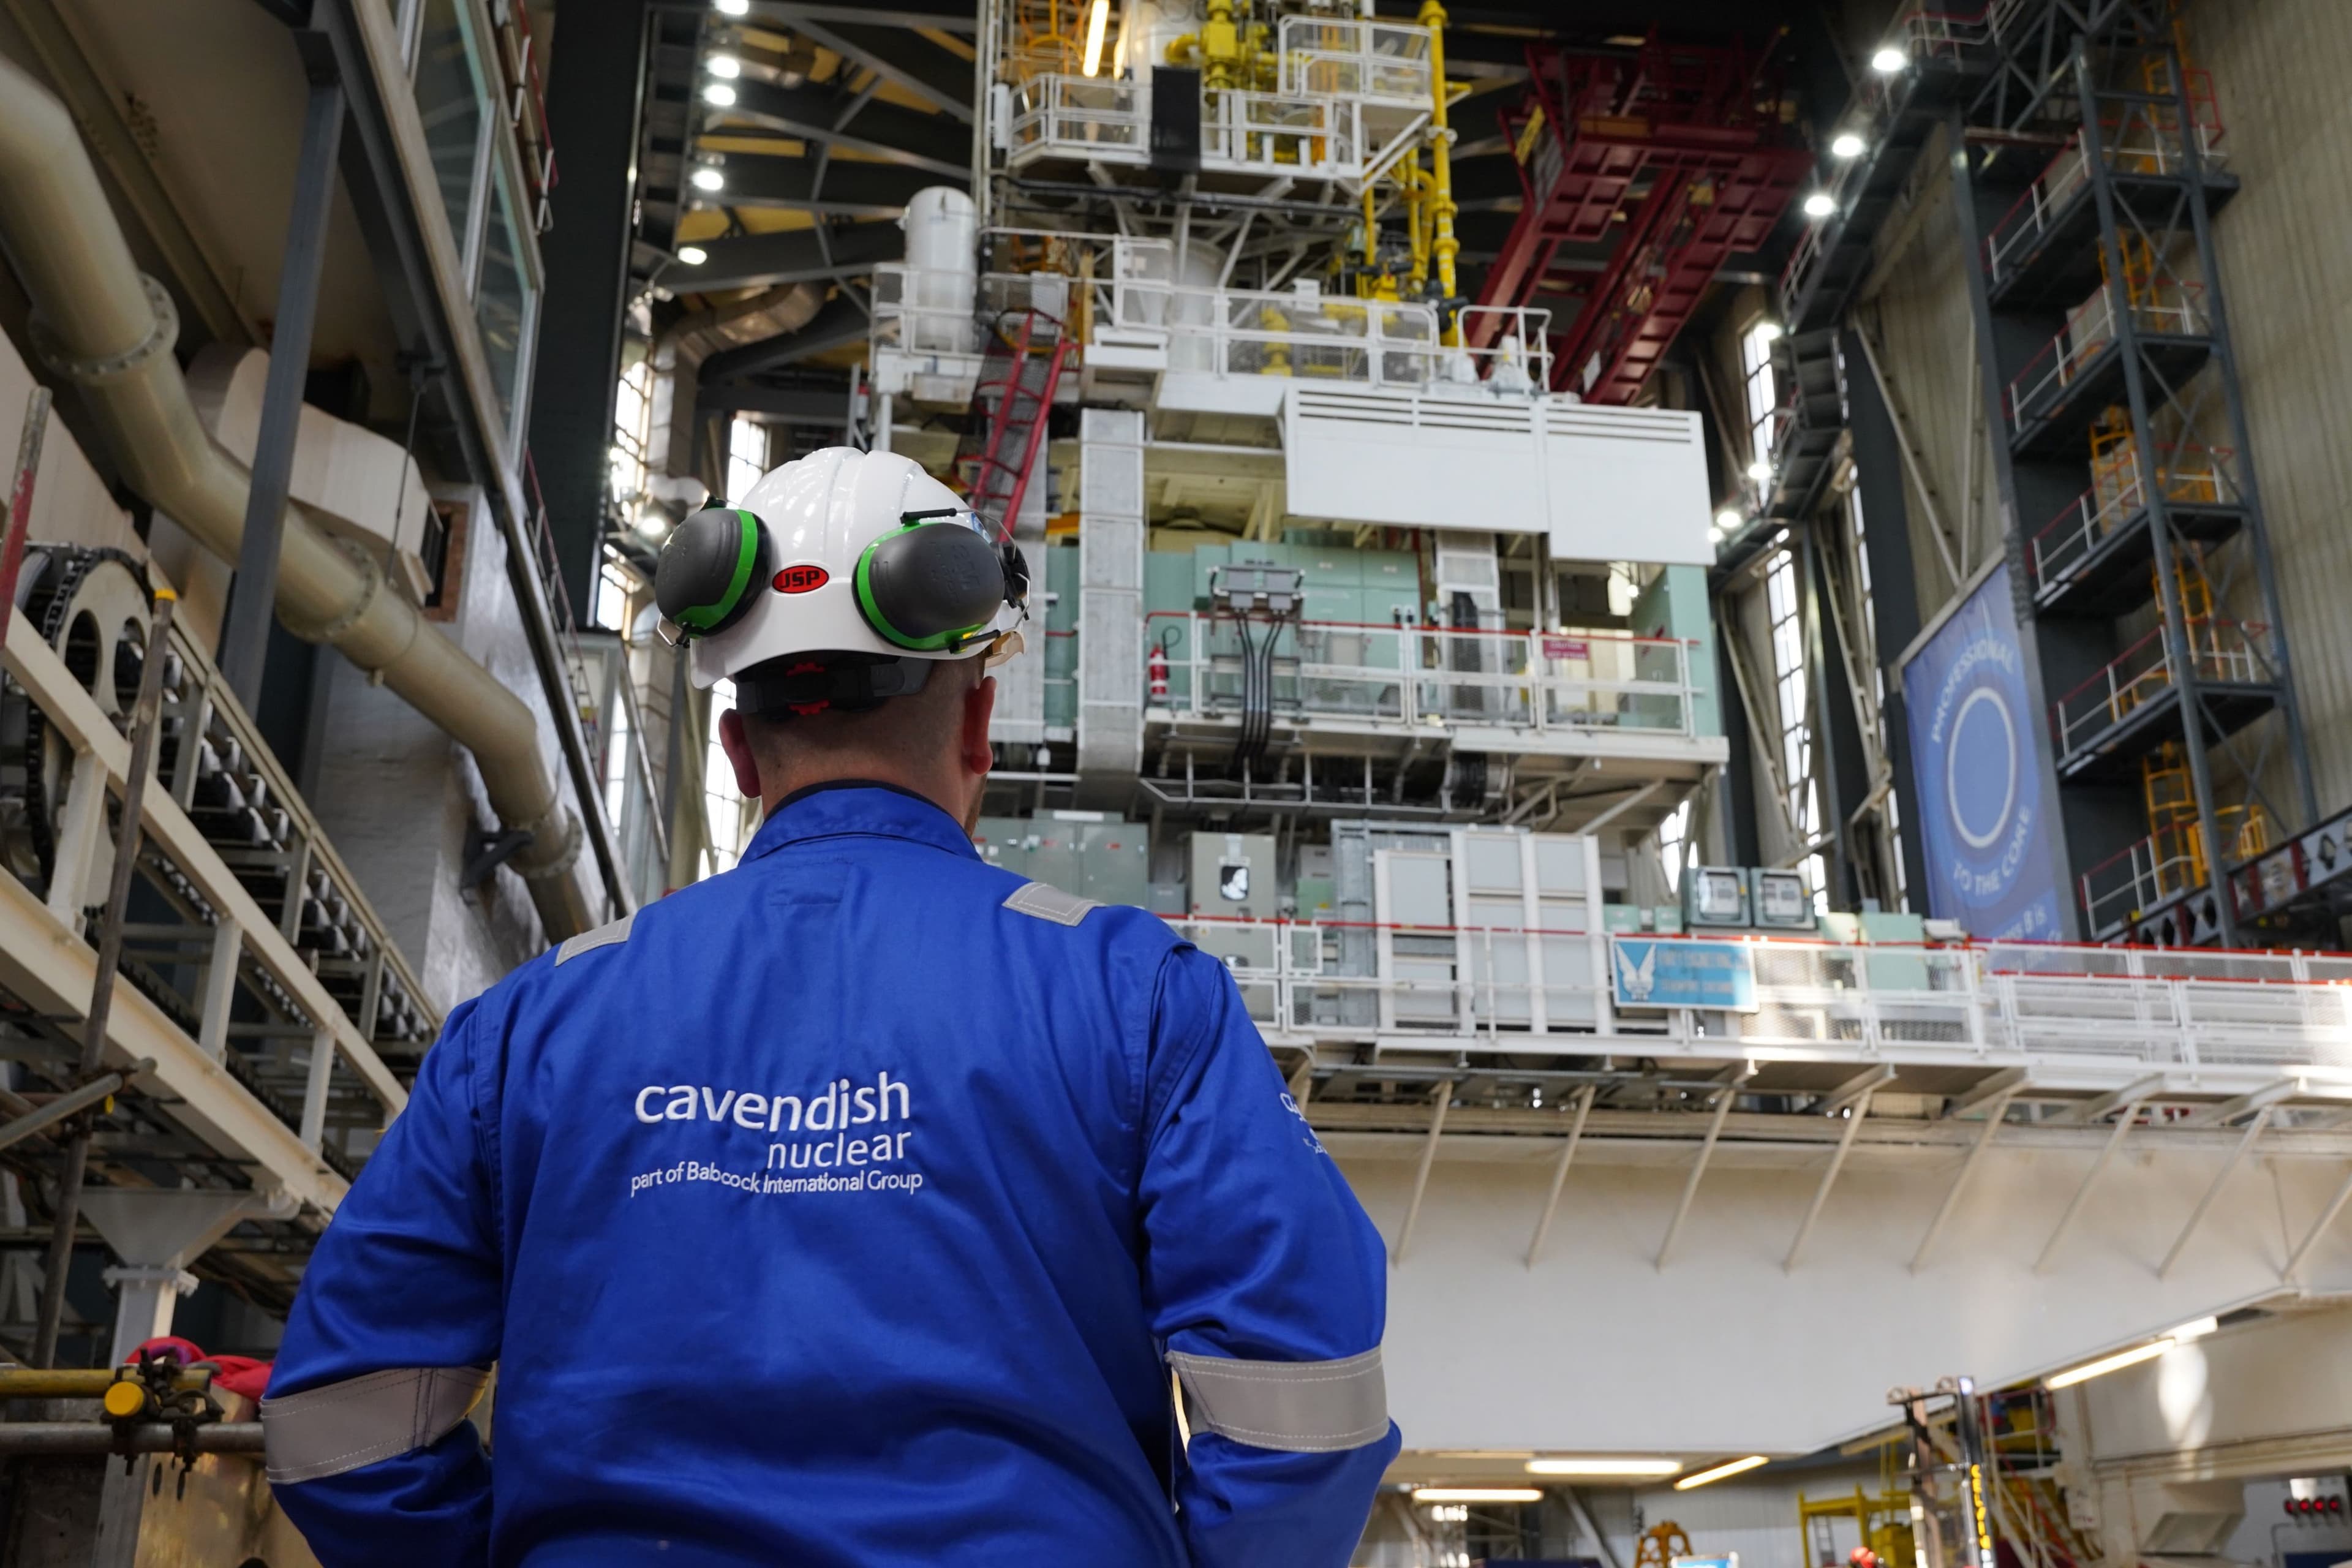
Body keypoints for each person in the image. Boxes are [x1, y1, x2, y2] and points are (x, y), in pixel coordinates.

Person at [260, 447, 1400, 1567]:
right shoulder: (1138, 995)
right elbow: (1304, 1403)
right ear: (975, 728)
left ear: (738, 751)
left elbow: (338, 1432)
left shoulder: (531, 1027)